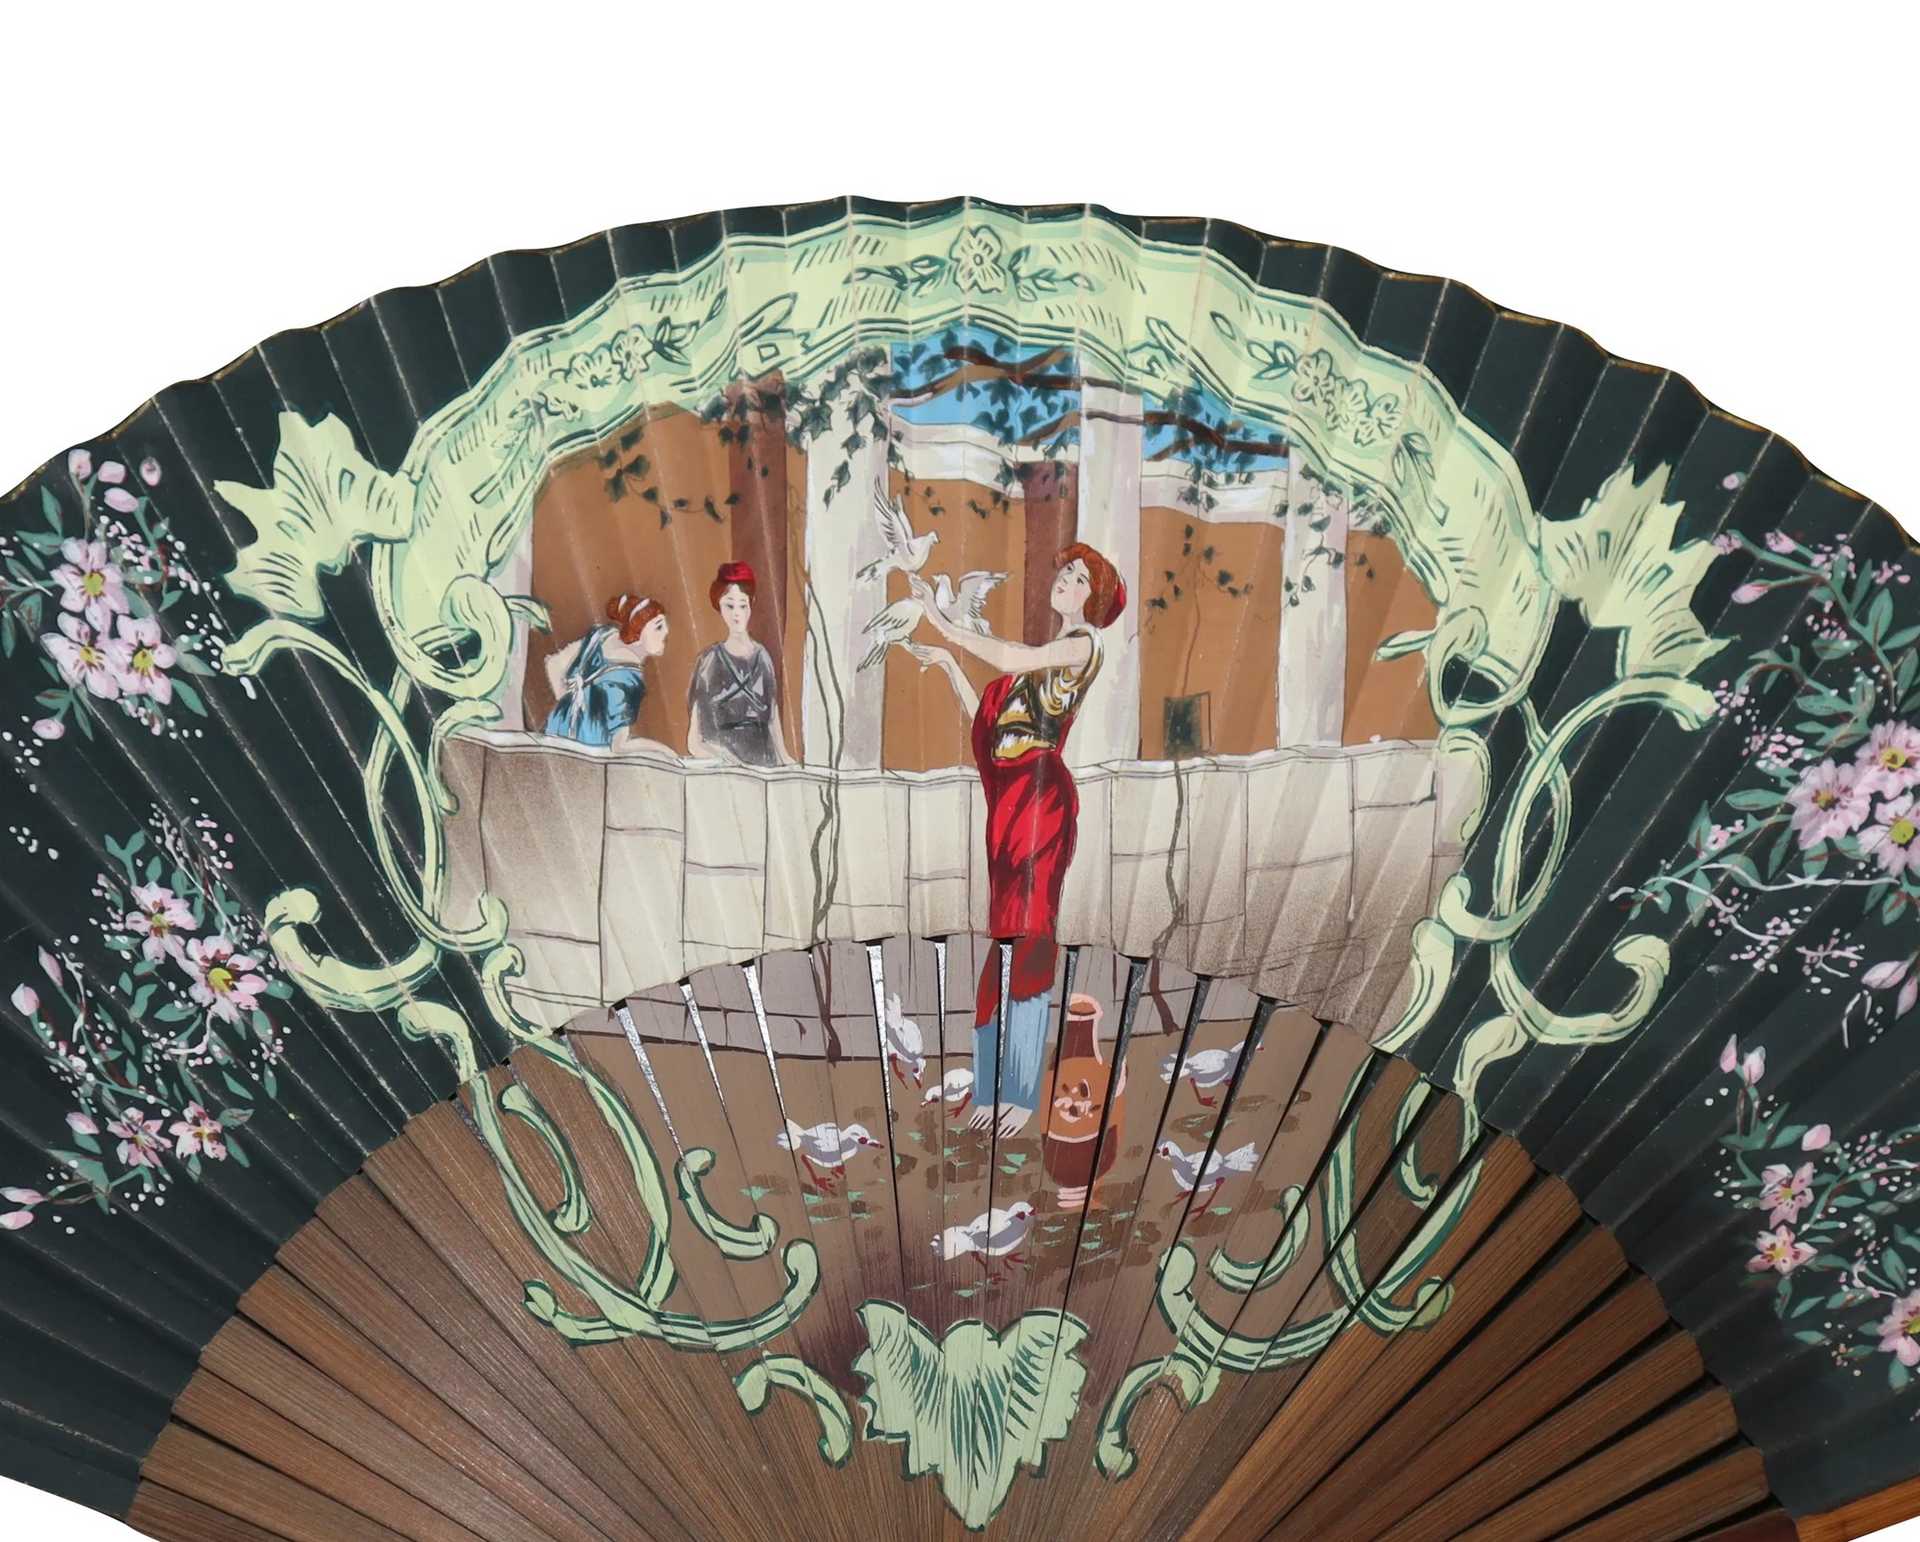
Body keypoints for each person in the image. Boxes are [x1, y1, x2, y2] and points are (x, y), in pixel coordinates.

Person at [906, 542, 1127, 1136]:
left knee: (1028, 939)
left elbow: (1008, 657)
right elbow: (993, 720)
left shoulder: (1083, 645)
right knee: (1001, 943)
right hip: (1009, 804)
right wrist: (950, 664)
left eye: (1078, 578)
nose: (1065, 580)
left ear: (1094, 599)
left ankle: (1022, 1093)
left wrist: (944, 623)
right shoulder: (1040, 666)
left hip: (1040, 801)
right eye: (1066, 571)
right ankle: (990, 1086)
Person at [687, 560, 794, 766]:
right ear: (719, 605)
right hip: (726, 766)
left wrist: (787, 761)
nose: (737, 614)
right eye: (730, 605)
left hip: (764, 763)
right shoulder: (709, 661)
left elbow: (772, 719)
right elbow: (695, 740)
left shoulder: (762, 657)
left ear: (751, 604)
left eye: (743, 605)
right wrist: (724, 761)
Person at [542, 592, 672, 751]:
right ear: (637, 632)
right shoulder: (626, 677)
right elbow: (619, 745)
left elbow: (554, 663)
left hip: (556, 733)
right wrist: (664, 751)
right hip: (588, 750)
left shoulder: (601, 636)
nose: (666, 631)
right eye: (658, 626)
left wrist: (569, 702)